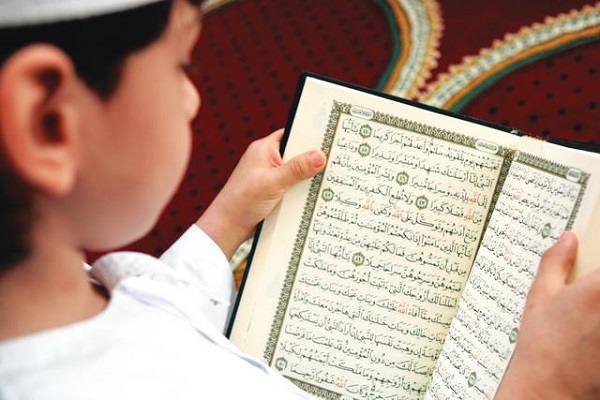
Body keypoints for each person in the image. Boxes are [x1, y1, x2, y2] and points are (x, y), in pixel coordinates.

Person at [0, 0, 598, 399]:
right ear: (48, 121)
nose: (191, 99)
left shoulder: (50, 299)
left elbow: (153, 315)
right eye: (180, 65)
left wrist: (225, 223)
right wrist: (543, 384)